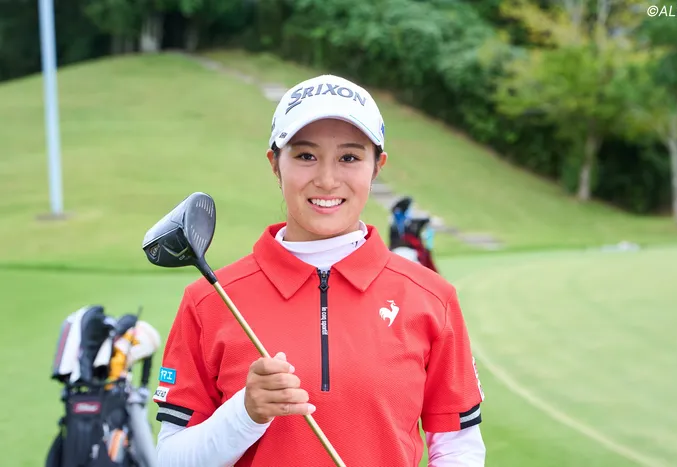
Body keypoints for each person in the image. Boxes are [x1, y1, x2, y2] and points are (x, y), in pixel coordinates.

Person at [153, 74, 486, 466]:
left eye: (349, 158)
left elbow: (458, 449)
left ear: (376, 167)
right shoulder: (208, 301)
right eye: (305, 156)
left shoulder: (432, 298)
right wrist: (244, 413)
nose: (327, 180)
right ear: (275, 164)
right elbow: (170, 459)